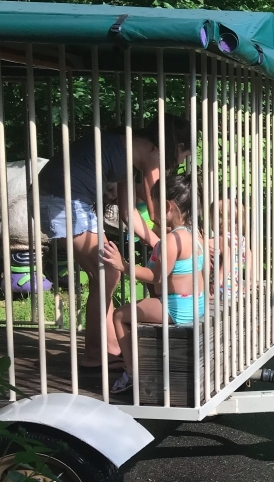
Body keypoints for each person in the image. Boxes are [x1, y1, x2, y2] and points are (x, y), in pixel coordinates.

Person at [38, 117, 191, 369]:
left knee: (105, 275)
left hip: (58, 197)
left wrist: (157, 244)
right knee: (108, 271)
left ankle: (108, 348)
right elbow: (158, 211)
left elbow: (128, 213)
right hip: (63, 200)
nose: (182, 162)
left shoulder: (129, 147)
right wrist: (178, 242)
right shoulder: (154, 151)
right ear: (178, 145)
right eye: (185, 155)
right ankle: (95, 353)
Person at [100, 173, 205, 394]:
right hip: (196, 304)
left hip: (176, 309)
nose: (151, 211)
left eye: (154, 205)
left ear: (167, 206)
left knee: (120, 315)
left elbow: (155, 276)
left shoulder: (171, 240)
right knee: (146, 305)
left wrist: (123, 265)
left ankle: (132, 371)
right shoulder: (195, 234)